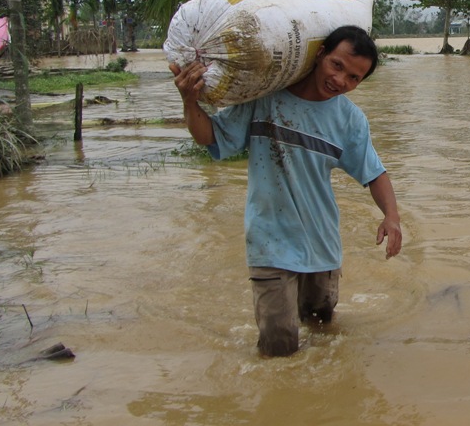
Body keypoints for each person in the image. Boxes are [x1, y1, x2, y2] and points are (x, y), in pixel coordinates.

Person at [170, 25, 402, 357]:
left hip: (322, 246)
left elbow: (374, 173)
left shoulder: (349, 120)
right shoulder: (264, 98)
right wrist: (190, 102)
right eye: (337, 65)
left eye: (354, 78)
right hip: (269, 243)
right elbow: (212, 136)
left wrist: (391, 218)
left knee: (323, 334)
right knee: (279, 347)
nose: (341, 81)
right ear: (320, 54)